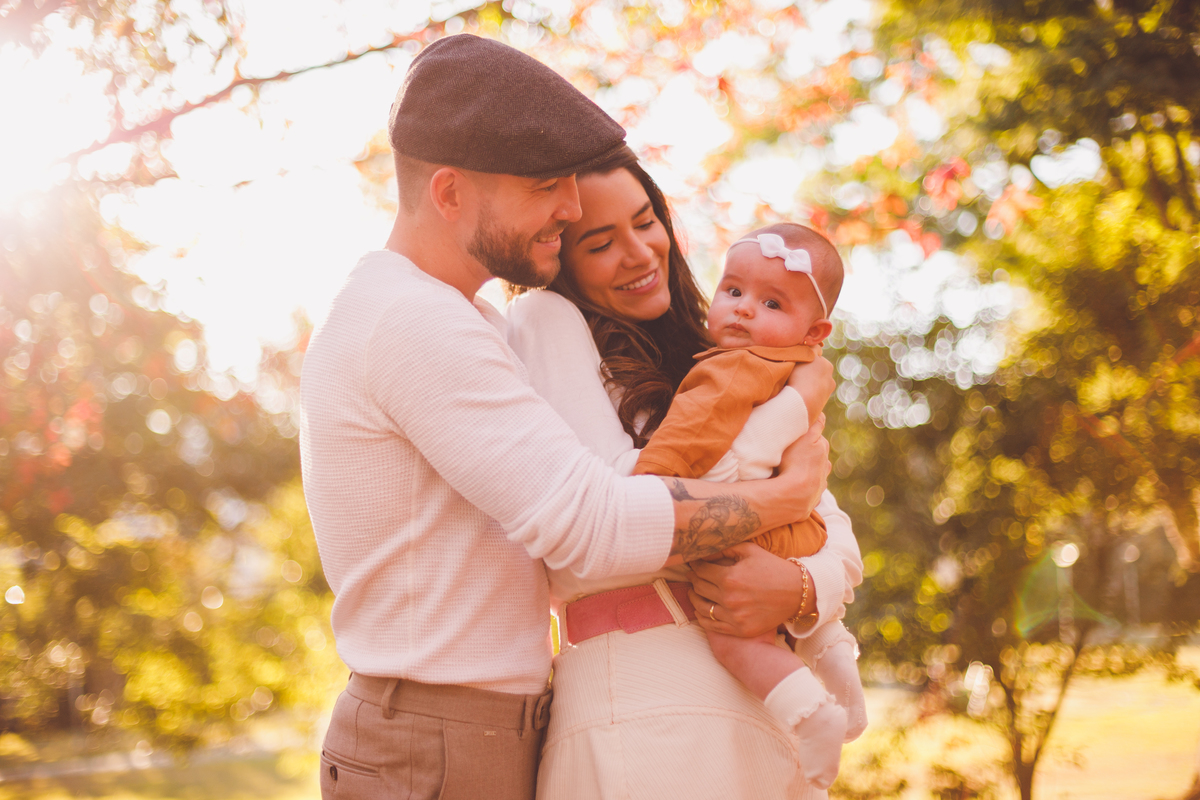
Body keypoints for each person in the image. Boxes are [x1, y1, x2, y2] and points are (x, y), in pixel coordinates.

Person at [298, 34, 832, 800]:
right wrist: (781, 500)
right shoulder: (410, 321)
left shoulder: (459, 318)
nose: (572, 208)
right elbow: (592, 526)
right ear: (450, 194)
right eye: (547, 185)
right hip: (434, 736)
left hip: (476, 724)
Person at [506, 149, 865, 799]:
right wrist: (791, 426)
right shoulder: (547, 320)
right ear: (560, 254)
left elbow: (827, 517)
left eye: (646, 222)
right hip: (645, 697)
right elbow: (607, 525)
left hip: (758, 698)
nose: (641, 253)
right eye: (600, 242)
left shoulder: (722, 351)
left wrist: (802, 587)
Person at [631, 222, 868, 788]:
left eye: (769, 302)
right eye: (733, 291)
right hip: (802, 529)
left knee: (733, 634)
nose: (741, 310)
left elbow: (685, 452)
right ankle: (834, 656)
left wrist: (648, 482)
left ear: (815, 330)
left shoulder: (722, 370)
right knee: (789, 612)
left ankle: (812, 714)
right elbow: (813, 485)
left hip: (749, 531)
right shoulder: (795, 371)